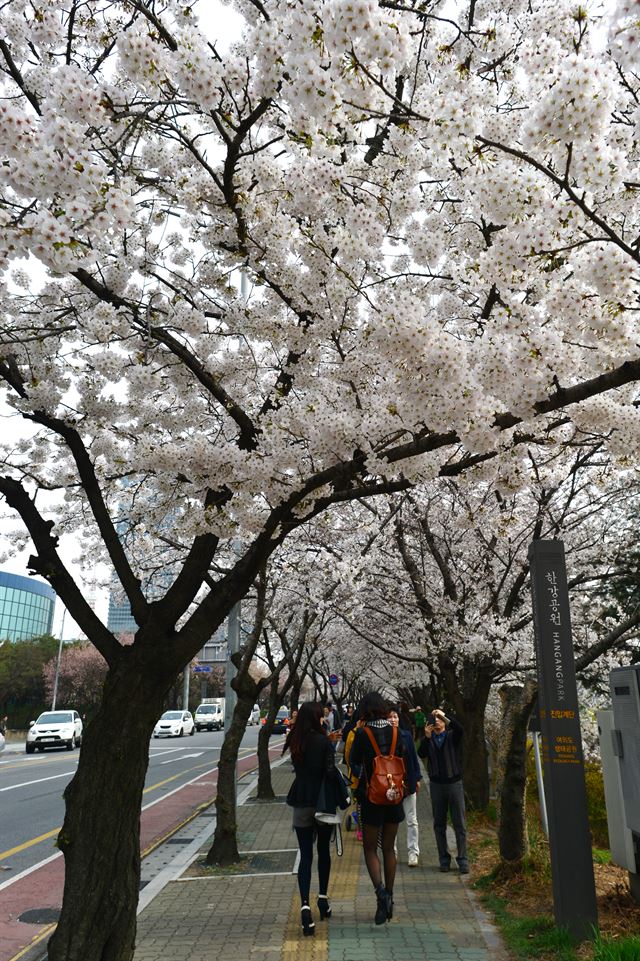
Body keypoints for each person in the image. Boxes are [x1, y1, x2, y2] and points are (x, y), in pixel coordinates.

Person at [349, 692, 406, 925]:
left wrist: (365, 774)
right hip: (393, 796)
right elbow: (402, 758)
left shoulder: (362, 734)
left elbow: (352, 761)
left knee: (370, 849)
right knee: (389, 848)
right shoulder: (396, 732)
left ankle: (380, 894)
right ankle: (390, 896)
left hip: (371, 798)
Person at [284, 701, 337, 936]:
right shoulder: (324, 742)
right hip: (323, 802)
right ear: (316, 718)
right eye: (321, 716)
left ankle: (305, 906)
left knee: (305, 855)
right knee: (323, 851)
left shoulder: (296, 740)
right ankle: (322, 900)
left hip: (301, 800)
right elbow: (330, 771)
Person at [418, 707, 468, 874]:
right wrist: (426, 737)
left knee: (459, 823)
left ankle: (463, 860)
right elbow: (421, 753)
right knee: (439, 824)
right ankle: (444, 859)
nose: (436, 721)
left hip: (454, 783)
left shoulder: (452, 736)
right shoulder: (429, 739)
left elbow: (460, 728)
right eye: (434, 719)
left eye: (439, 718)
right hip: (436, 785)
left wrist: (444, 714)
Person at [389, 706, 422, 866]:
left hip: (408, 782)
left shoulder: (406, 735)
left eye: (395, 716)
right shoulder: (384, 737)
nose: (393, 720)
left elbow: (414, 759)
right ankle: (391, 852)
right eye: (389, 717)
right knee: (392, 820)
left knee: (412, 819)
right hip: (391, 784)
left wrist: (417, 778)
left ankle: (413, 852)